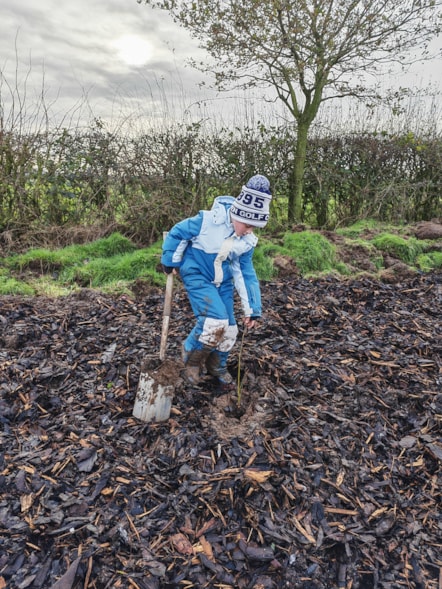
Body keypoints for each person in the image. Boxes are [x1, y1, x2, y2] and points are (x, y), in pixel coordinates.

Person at [161, 174, 272, 389]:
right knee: (214, 322)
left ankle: (216, 367)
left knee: (230, 330)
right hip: (197, 274)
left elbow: (245, 272)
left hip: (223, 282)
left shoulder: (246, 241)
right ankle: (190, 361)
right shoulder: (207, 221)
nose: (250, 230)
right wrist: (170, 260)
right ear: (238, 214)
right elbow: (178, 232)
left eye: (254, 227)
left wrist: (252, 308)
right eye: (248, 224)